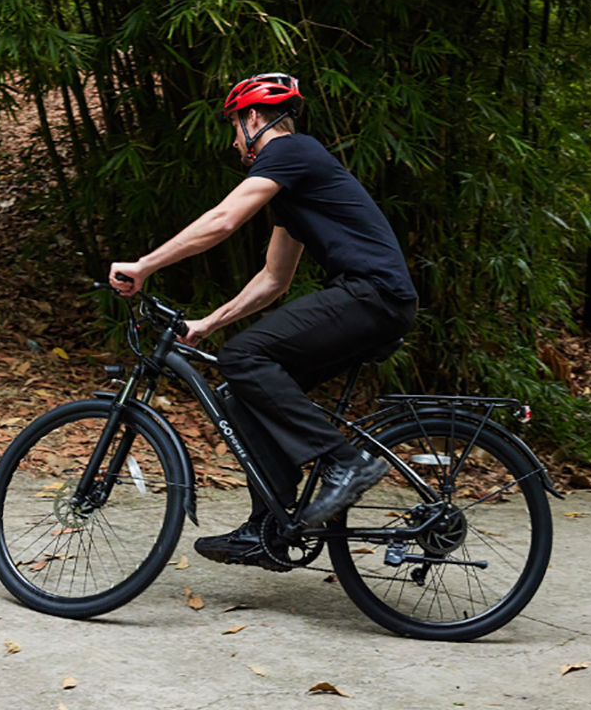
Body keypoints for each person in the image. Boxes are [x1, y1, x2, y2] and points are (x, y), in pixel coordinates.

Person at [109, 72, 417, 570]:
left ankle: (345, 463)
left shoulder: (291, 152)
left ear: (253, 118)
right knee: (242, 390)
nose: (235, 140)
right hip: (371, 299)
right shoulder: (295, 185)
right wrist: (209, 322)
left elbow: (223, 220)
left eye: (234, 126)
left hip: (373, 295)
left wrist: (145, 265)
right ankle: (268, 527)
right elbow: (274, 278)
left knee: (244, 356)